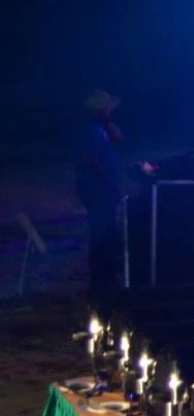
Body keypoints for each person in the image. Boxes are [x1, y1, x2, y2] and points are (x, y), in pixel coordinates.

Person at [75, 89, 126, 295]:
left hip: (99, 189)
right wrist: (109, 184)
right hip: (97, 190)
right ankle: (101, 280)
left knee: (105, 231)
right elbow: (92, 160)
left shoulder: (99, 128)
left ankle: (105, 276)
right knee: (101, 233)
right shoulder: (91, 131)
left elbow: (119, 138)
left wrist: (108, 122)